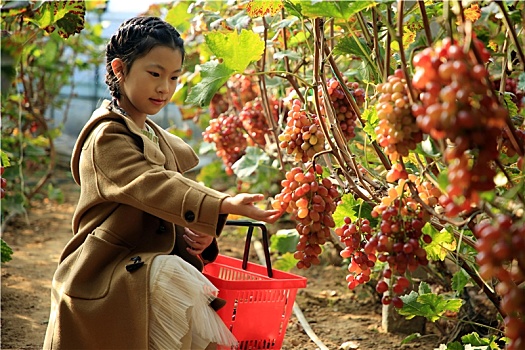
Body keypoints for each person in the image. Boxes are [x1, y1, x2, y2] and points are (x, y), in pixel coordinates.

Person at [43, 16, 281, 350]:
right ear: (120, 70)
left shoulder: (157, 136)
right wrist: (221, 204)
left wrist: (194, 235)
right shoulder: (107, 137)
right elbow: (154, 185)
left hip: (143, 268)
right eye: (154, 74)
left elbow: (167, 205)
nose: (164, 88)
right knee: (176, 278)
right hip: (105, 273)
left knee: (179, 283)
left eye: (174, 77)